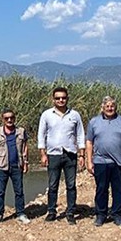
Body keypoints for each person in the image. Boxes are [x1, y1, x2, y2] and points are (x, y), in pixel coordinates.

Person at [85, 96, 121, 227]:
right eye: (107, 106)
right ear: (102, 107)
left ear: (116, 107)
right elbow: (89, 142)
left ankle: (117, 215)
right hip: (100, 161)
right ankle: (101, 215)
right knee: (101, 189)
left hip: (119, 162)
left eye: (112, 106)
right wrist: (89, 161)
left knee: (118, 190)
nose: (110, 108)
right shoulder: (94, 122)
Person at [37, 87, 86, 224]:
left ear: (67, 98)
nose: (61, 100)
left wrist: (82, 155)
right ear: (53, 99)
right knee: (53, 185)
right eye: (58, 98)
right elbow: (41, 135)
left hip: (70, 154)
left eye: (63, 98)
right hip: (53, 154)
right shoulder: (47, 115)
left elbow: (80, 134)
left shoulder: (75, 115)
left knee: (71, 185)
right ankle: (52, 211)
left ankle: (70, 212)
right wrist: (43, 154)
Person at [0, 108, 30, 224]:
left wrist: (26, 162)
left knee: (19, 191)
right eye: (6, 118)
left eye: (11, 117)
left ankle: (21, 213)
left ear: (14, 118)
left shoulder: (21, 131)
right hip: (1, 166)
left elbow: (25, 146)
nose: (9, 120)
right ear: (2, 119)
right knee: (0, 192)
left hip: (17, 166)